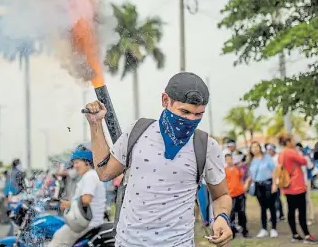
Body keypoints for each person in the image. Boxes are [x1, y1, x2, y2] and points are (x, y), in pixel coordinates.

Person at [84, 72, 232, 247]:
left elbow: (221, 195)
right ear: (165, 100)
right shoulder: (137, 132)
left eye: (198, 114)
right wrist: (95, 124)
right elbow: (104, 172)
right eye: (184, 112)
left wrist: (222, 218)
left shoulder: (206, 146)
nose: (190, 120)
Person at [48, 146, 106, 247]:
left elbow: (86, 199)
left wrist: (69, 204)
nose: (75, 166)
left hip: (88, 224)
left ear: (87, 162)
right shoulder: (89, 176)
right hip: (89, 222)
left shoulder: (90, 176)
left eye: (77, 162)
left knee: (58, 240)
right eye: (74, 163)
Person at [278, 133, 317, 243]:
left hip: (287, 185)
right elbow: (304, 161)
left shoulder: (281, 153)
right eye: (293, 140)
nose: (294, 142)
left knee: (291, 210)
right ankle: (307, 235)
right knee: (302, 211)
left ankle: (294, 234)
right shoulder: (291, 152)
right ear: (288, 142)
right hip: (297, 185)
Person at [245, 142, 277, 238]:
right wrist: (247, 184)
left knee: (272, 207)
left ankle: (273, 229)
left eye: (256, 147)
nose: (254, 149)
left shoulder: (267, 157)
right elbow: (251, 176)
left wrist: (275, 184)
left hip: (268, 183)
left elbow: (274, 171)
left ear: (260, 148)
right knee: (262, 207)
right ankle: (264, 229)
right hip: (258, 185)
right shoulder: (251, 161)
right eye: (252, 147)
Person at [224, 153, 248, 238]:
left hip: (240, 194)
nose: (229, 160)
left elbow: (243, 177)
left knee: (242, 213)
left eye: (230, 159)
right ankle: (232, 232)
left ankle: (244, 231)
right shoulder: (224, 170)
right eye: (227, 159)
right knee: (232, 214)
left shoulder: (237, 168)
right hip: (230, 195)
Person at [296, 143, 315, 226]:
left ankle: (310, 217)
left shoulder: (305, 157)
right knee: (298, 200)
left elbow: (310, 166)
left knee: (307, 199)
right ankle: (299, 217)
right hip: (297, 181)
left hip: (305, 180)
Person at [266, 144, 285, 221]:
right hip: (270, 180)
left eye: (271, 149)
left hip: (277, 180)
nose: (269, 151)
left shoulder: (277, 157)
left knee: (277, 198)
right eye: (268, 150)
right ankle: (274, 215)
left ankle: (280, 214)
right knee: (271, 199)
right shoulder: (267, 158)